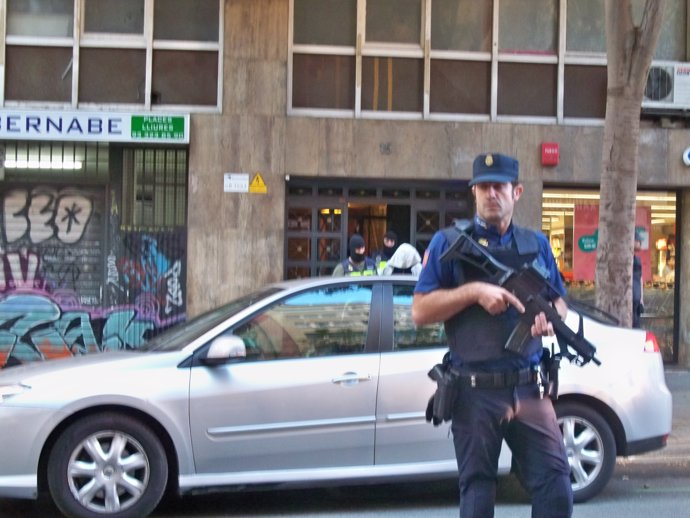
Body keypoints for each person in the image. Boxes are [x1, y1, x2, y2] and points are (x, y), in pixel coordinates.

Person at [412, 152, 573, 518]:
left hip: (528, 387)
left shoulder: (536, 244)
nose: (490, 194)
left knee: (557, 489)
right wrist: (474, 293)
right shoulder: (446, 243)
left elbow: (560, 302)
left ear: (516, 192)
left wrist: (549, 320)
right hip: (474, 392)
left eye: (498, 187)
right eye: (482, 187)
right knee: (478, 494)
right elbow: (420, 312)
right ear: (474, 194)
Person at [632, 233, 643, 328]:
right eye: (638, 241)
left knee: (636, 324)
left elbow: (640, 278)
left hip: (636, 297)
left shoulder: (638, 260)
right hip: (631, 297)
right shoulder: (627, 259)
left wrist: (641, 298)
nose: (640, 243)